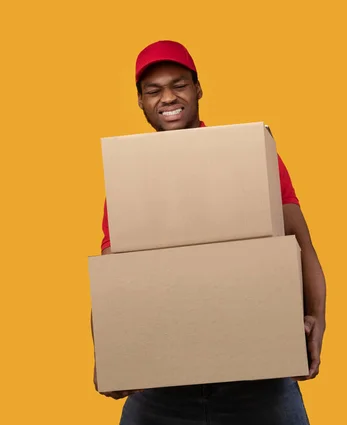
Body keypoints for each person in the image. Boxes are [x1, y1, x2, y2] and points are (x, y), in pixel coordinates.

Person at [93, 40, 327, 425]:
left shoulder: (250, 153)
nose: (168, 97)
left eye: (179, 84)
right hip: (161, 385)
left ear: (198, 89)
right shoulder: (128, 177)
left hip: (259, 379)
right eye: (153, 90)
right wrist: (107, 355)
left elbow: (301, 245)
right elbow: (112, 277)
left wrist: (317, 321)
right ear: (139, 101)